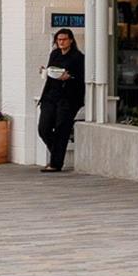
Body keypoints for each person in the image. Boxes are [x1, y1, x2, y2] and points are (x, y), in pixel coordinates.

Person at [37, 28, 86, 172]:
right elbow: (51, 72)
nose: (61, 42)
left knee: (61, 129)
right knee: (43, 128)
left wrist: (69, 77)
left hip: (68, 98)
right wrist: (45, 71)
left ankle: (55, 164)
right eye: (59, 40)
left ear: (71, 40)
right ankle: (57, 156)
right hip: (50, 95)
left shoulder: (78, 57)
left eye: (64, 39)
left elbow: (82, 78)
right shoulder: (55, 54)